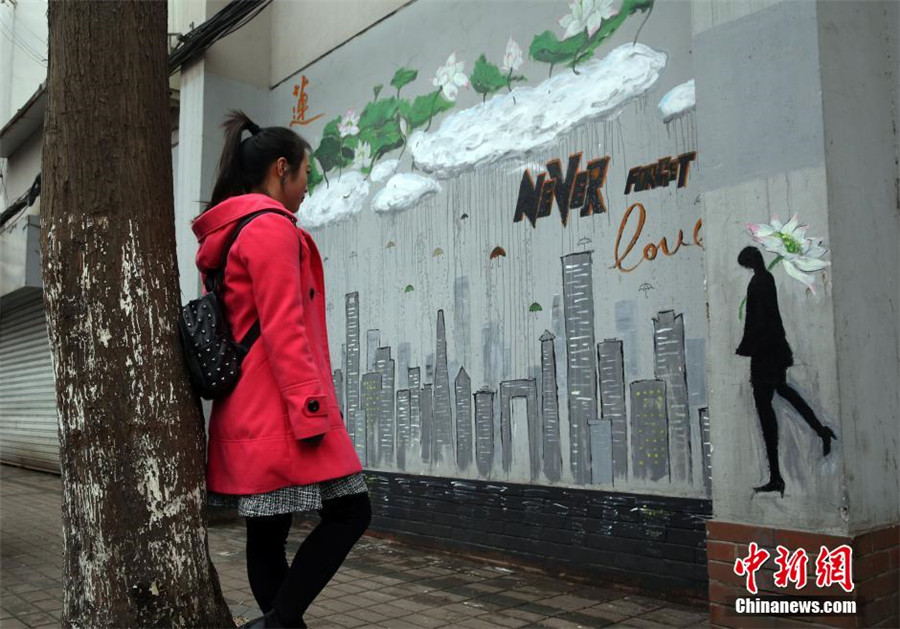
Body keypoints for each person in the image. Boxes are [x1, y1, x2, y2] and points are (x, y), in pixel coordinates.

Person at [191, 110, 370, 628]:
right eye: (305, 177)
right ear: (280, 169)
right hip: (283, 411)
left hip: (247, 411)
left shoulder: (226, 237)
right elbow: (285, 329)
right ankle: (278, 622)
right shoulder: (269, 229)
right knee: (353, 512)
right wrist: (311, 410)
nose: (306, 190)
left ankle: (280, 622)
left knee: (267, 529)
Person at [736, 245, 837, 497]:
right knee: (782, 392)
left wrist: (748, 346)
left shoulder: (759, 282)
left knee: (765, 407)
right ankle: (821, 431)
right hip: (773, 350)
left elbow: (759, 319)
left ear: (750, 262)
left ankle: (776, 477)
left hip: (764, 352)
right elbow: (770, 318)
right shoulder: (765, 279)